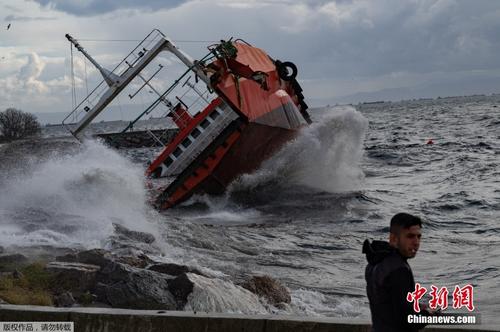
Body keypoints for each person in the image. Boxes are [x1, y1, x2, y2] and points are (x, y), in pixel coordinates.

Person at [363, 212, 429, 332]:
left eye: (418, 236)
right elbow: (410, 322)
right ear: (393, 238)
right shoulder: (399, 269)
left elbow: (388, 305)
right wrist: (428, 313)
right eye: (410, 236)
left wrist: (416, 307)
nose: (416, 242)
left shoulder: (374, 262)